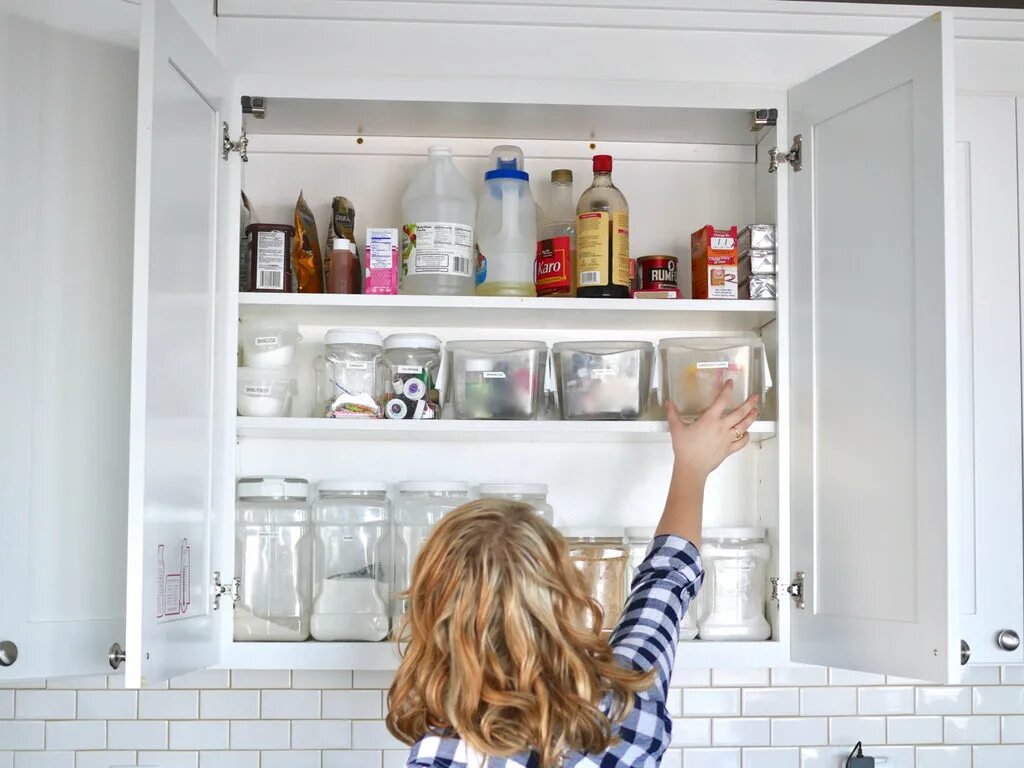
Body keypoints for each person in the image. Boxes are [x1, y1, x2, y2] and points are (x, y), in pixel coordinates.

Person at [387, 383, 760, 767]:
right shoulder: (629, 714)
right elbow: (665, 581)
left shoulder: (440, 755)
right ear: (564, 594)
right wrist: (692, 467)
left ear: (429, 612)